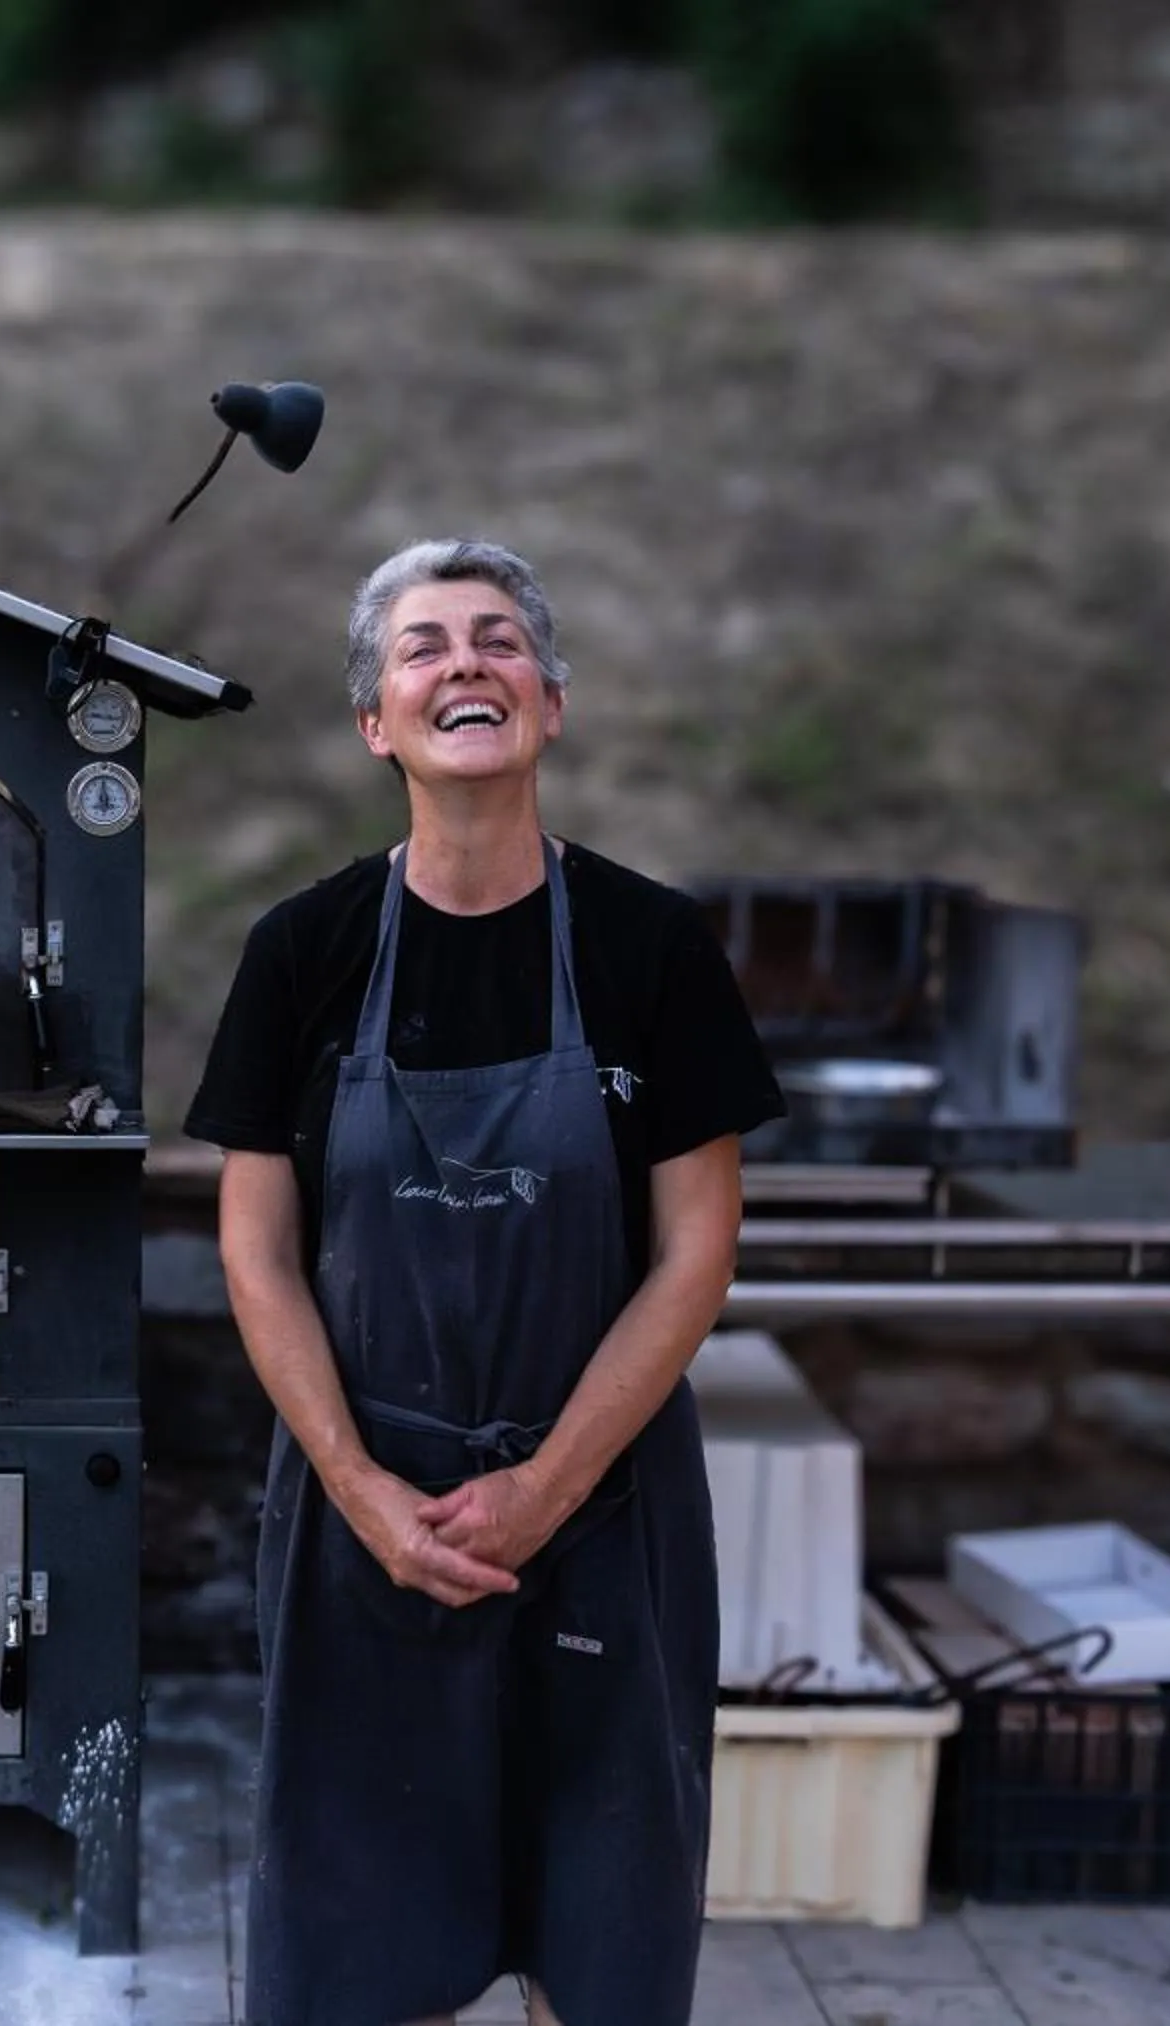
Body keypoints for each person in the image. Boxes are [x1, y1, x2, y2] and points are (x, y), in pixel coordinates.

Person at [184, 539, 784, 2026]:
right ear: (375, 722)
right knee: (368, 1956)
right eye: (424, 646)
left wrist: (547, 1488)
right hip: (368, 1520)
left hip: (603, 1520)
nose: (466, 662)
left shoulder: (652, 944)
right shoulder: (303, 951)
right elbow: (256, 1252)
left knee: (604, 1943)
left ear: (551, 705)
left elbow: (697, 1252)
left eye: (501, 640)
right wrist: (362, 1489)